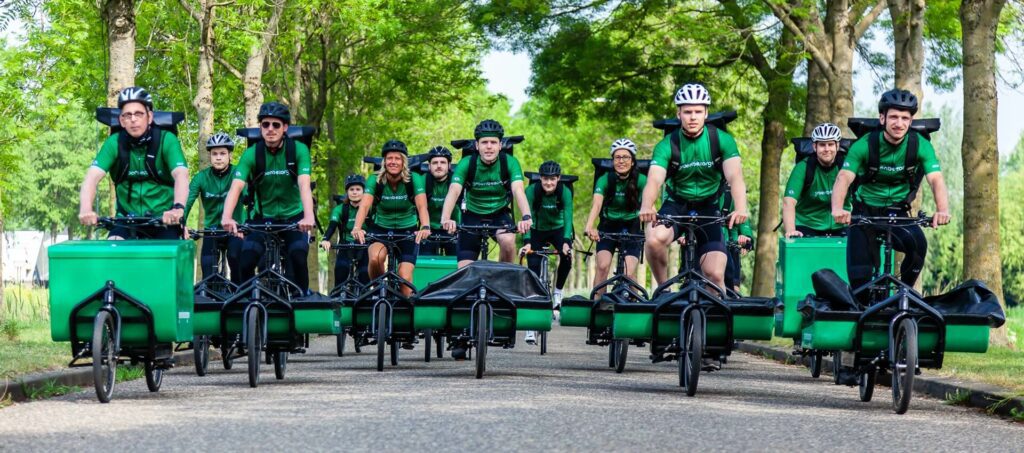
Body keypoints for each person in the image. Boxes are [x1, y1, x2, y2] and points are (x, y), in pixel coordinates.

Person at [831, 89, 950, 295]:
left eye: (905, 118)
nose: (899, 123)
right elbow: (844, 177)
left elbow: (936, 179)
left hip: (897, 212)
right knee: (860, 279)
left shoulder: (920, 145)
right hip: (864, 213)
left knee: (918, 246)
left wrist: (943, 209)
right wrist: (838, 209)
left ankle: (905, 292)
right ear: (882, 118)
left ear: (911, 121)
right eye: (894, 117)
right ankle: (864, 302)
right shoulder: (865, 144)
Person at [639, 83, 750, 293]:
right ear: (678, 113)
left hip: (709, 207)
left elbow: (735, 177)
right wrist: (647, 205)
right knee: (653, 240)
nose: (693, 117)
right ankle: (664, 289)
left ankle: (714, 317)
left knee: (715, 276)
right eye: (687, 111)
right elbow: (654, 179)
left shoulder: (722, 140)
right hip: (676, 205)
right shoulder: (667, 145)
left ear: (706, 113)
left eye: (698, 111)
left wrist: (741, 208)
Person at [221, 102, 317, 292]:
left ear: (285, 128)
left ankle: (301, 298)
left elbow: (304, 184)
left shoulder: (298, 150)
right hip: (262, 218)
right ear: (260, 128)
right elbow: (236, 187)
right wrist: (227, 216)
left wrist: (308, 216)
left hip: (294, 217)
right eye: (265, 124)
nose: (270, 129)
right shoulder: (251, 154)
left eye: (276, 125)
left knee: (298, 256)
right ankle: (248, 302)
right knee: (246, 259)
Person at [78, 86, 189, 239]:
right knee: (112, 252)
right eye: (127, 115)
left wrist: (178, 208)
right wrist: (85, 208)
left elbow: (181, 175)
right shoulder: (114, 143)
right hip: (126, 220)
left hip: (164, 219)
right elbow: (91, 178)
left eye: (139, 114)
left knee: (168, 256)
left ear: (149, 117)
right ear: (121, 120)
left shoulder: (166, 140)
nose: (133, 119)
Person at [440, 119, 532, 267]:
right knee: (464, 269)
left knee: (508, 241)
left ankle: (502, 279)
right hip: (471, 215)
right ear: (477, 145)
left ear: (500, 145)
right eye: (484, 142)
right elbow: (454, 190)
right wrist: (445, 218)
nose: (489, 147)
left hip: (499, 213)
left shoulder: (510, 162)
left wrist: (526, 217)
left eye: (493, 142)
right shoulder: (467, 163)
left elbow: (518, 190)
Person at [350, 140, 431, 296]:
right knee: (375, 258)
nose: (393, 162)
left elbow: (422, 206)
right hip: (380, 229)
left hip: (407, 230)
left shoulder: (414, 178)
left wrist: (425, 226)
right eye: (389, 158)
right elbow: (364, 206)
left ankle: (408, 311)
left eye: (397, 158)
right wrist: (357, 227)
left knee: (404, 277)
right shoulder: (375, 180)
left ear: (403, 162)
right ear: (384, 162)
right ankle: (379, 290)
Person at [583, 138, 646, 297]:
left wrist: (654, 225)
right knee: (603, 266)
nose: (621, 161)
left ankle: (636, 306)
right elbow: (596, 205)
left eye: (626, 157)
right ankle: (597, 305)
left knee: (629, 273)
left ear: (632, 161)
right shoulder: (605, 179)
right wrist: (589, 226)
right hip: (608, 226)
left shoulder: (642, 180)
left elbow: (649, 206)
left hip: (632, 226)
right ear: (612, 161)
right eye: (617, 157)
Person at [519, 160, 573, 345]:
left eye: (552, 179)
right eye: (545, 179)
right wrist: (526, 242)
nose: (549, 183)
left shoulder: (564, 192)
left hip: (558, 229)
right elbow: (526, 219)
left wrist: (566, 242)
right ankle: (530, 327)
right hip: (536, 229)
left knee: (567, 257)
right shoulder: (531, 191)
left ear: (558, 178)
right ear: (540, 178)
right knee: (532, 269)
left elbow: (568, 216)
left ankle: (558, 291)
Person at [184, 132, 245, 283]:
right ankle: (211, 297)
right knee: (207, 267)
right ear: (210, 156)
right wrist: (181, 223)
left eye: (223, 153)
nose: (218, 157)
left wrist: (249, 224)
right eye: (214, 153)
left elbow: (253, 200)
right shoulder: (201, 177)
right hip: (211, 230)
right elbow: (187, 201)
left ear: (230, 155)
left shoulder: (239, 174)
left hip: (236, 230)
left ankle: (240, 294)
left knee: (235, 258)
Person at [782, 123, 850, 238]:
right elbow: (788, 202)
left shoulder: (846, 166)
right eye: (822, 145)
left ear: (837, 146)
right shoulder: (804, 167)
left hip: (841, 225)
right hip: (808, 225)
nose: (827, 149)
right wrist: (791, 230)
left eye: (830, 144)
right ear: (815, 147)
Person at [320, 174, 370, 286]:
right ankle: (338, 298)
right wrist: (325, 239)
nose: (354, 192)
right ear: (347, 192)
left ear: (364, 191)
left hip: (365, 245)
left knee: (365, 273)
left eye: (358, 189)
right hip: (345, 244)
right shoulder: (340, 209)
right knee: (340, 270)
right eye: (351, 189)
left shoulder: (370, 208)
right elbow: (332, 226)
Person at [421, 146, 459, 256]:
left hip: (454, 230)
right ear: (429, 166)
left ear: (449, 166)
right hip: (428, 230)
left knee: (458, 265)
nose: (438, 166)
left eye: (442, 162)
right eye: (434, 163)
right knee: (424, 264)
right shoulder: (423, 180)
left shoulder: (457, 180)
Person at [721, 186, 753, 293]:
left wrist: (746, 237)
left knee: (734, 288)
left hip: (730, 243)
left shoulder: (732, 193)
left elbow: (743, 220)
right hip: (708, 239)